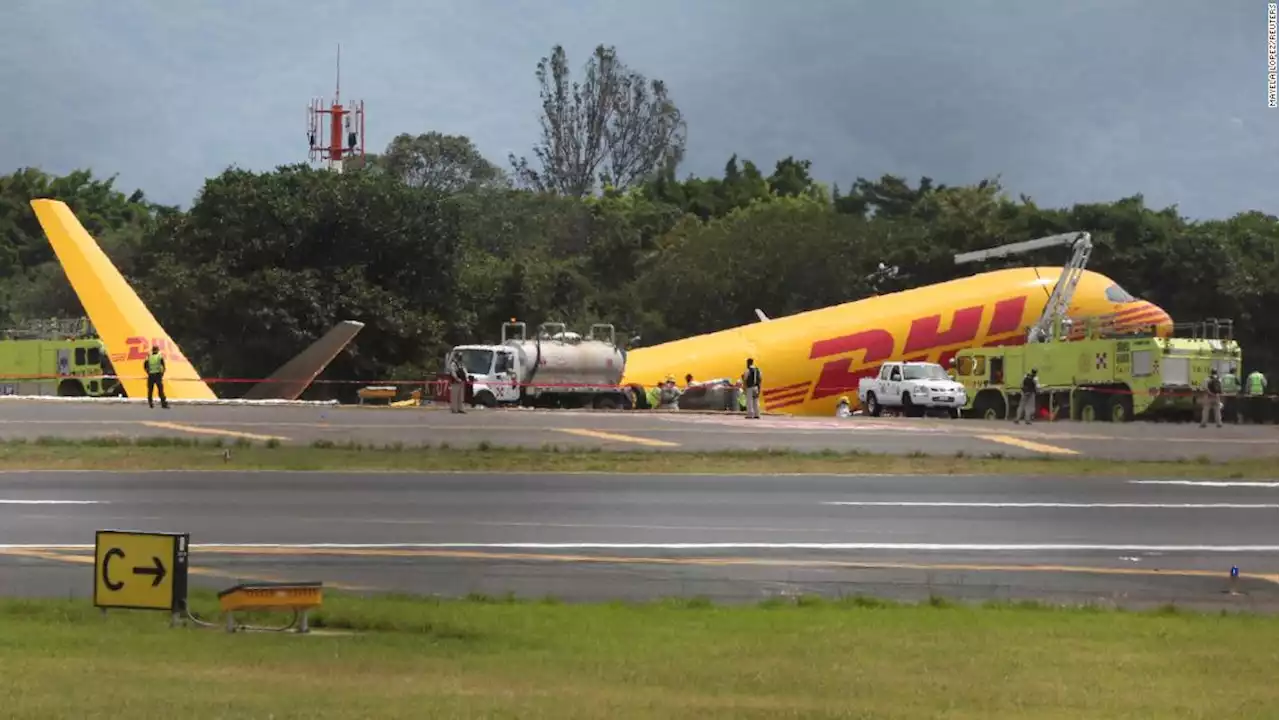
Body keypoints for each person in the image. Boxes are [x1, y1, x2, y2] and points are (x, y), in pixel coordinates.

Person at [144, 345, 169, 409]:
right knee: (160, 390)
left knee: (150, 390)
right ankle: (163, 404)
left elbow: (145, 365)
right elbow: (163, 365)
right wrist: (162, 373)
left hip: (151, 375)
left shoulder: (149, 357)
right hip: (158, 375)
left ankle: (150, 403)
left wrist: (148, 372)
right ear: (157, 350)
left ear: (152, 350)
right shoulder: (159, 356)